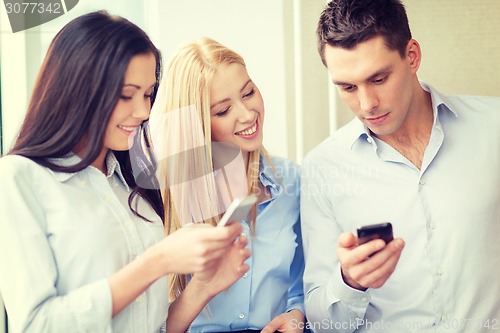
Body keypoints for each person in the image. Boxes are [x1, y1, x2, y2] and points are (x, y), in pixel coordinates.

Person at [0, 11, 250, 333]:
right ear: (77, 89)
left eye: (147, 94)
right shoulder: (18, 179)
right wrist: (157, 261)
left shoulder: (131, 187)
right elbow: (37, 324)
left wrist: (203, 287)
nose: (144, 111)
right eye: (125, 95)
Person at [300, 0, 500, 332]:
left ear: (412, 56)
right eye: (347, 87)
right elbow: (323, 324)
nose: (366, 104)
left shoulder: (494, 127)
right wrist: (350, 281)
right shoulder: (321, 169)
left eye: (378, 78)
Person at [149, 37, 306, 333]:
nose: (247, 115)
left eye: (248, 93)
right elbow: (150, 324)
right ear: (195, 125)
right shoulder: (161, 198)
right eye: (222, 111)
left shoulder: (291, 180)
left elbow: (304, 282)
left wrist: (297, 315)